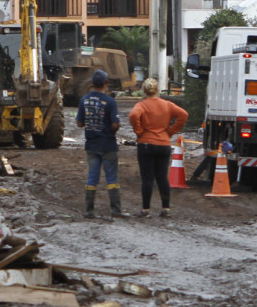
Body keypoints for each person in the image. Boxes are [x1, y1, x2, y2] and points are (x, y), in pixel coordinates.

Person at [129, 78, 188, 218]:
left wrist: (139, 131)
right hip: (164, 144)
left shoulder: (141, 105)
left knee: (147, 178)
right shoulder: (167, 105)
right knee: (162, 177)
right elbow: (183, 115)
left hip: (146, 144)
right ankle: (165, 208)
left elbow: (133, 115)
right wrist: (171, 131)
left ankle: (146, 209)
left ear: (144, 91)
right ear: (157, 90)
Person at [76, 69, 127, 219]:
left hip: (91, 145)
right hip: (108, 145)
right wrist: (110, 130)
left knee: (92, 176)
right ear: (106, 83)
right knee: (111, 177)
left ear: (92, 83)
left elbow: (79, 123)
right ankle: (116, 210)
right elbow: (116, 124)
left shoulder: (84, 100)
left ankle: (89, 210)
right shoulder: (110, 101)